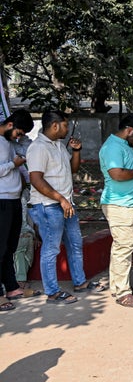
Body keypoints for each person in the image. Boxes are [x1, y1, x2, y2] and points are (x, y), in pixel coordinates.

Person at [28, 111, 106, 305]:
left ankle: (80, 283)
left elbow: (73, 169)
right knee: (51, 248)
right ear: (55, 125)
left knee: (75, 244)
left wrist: (76, 151)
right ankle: (52, 292)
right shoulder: (38, 148)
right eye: (65, 125)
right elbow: (36, 179)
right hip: (48, 206)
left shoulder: (59, 146)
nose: (67, 128)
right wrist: (60, 198)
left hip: (65, 203)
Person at [98, 114, 133, 308]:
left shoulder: (123, 147)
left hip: (127, 204)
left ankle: (122, 285)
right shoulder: (113, 147)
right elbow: (117, 174)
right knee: (123, 246)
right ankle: (122, 292)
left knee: (126, 246)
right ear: (129, 130)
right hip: (119, 204)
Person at [0, 110, 35, 310]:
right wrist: (12, 164)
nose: (19, 137)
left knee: (10, 247)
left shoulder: (11, 142)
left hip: (14, 198)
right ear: (10, 124)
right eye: (19, 132)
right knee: (1, 248)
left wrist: (21, 142)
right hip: (1, 199)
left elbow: (27, 148)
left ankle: (12, 287)